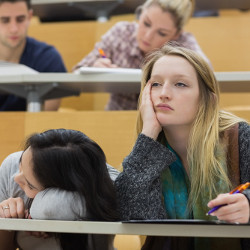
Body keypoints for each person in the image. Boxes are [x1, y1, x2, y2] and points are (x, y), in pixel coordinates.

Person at [115, 43, 250, 249]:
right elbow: (131, 213)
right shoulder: (149, 149)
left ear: (208, 100)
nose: (164, 94)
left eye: (180, 84)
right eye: (156, 84)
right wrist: (148, 132)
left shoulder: (240, 136)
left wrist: (248, 204)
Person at [74, 0, 210, 111]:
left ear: (176, 35)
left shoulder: (183, 44)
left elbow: (207, 78)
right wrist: (95, 65)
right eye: (146, 23)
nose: (148, 36)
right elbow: (77, 70)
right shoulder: (121, 32)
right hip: (116, 117)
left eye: (162, 33)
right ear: (140, 13)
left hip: (165, 126)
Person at [0, 128, 119, 250]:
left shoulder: (105, 186)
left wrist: (43, 218)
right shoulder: (12, 166)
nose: (16, 178)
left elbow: (49, 208)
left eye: (30, 185)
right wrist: (6, 219)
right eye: (21, 164)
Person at [0, 0, 67, 111]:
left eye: (20, 19)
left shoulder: (48, 57)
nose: (14, 29)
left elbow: (45, 119)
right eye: (5, 20)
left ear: (30, 17)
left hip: (31, 128)